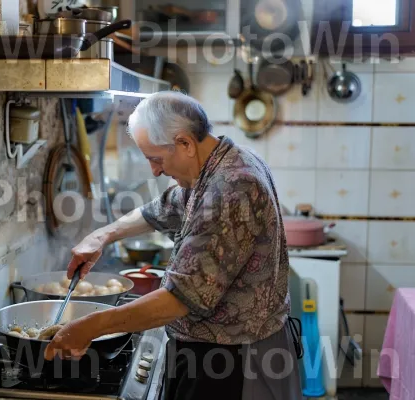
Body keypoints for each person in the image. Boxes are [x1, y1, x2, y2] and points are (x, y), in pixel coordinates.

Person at [44, 91, 303, 399]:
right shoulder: (219, 161)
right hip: (219, 356)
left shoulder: (232, 187)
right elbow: (161, 208)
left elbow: (178, 300)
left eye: (156, 159)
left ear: (184, 143)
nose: (155, 170)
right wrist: (101, 236)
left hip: (236, 364)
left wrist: (90, 327)